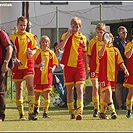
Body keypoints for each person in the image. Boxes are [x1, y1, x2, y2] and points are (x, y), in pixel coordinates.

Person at [58, 17, 88, 120]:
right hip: (68, 67)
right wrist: (68, 36)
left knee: (79, 89)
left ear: (80, 27)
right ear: (71, 26)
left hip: (79, 67)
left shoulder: (83, 38)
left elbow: (84, 54)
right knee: (69, 91)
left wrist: (86, 68)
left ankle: (80, 111)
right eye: (73, 26)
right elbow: (60, 47)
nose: (75, 29)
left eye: (77, 27)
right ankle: (71, 111)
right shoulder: (65, 35)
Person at [10, 16, 38, 120]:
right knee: (19, 88)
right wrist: (15, 59)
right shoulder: (12, 38)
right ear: (17, 25)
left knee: (30, 87)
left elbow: (35, 49)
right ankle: (21, 114)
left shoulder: (30, 36)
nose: (22, 27)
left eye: (24, 25)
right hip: (17, 66)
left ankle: (31, 113)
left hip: (28, 65)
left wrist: (32, 52)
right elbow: (9, 51)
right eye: (21, 25)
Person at [98, 32, 129, 119]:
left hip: (112, 75)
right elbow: (100, 55)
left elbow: (120, 62)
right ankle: (113, 111)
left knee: (106, 95)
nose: (107, 39)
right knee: (108, 93)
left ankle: (102, 112)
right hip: (104, 75)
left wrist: (125, 69)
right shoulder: (102, 48)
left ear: (112, 39)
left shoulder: (115, 50)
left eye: (109, 38)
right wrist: (104, 43)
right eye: (105, 38)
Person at [33, 35, 58, 118]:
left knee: (47, 94)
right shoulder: (37, 52)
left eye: (46, 42)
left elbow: (55, 63)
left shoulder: (51, 53)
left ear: (49, 43)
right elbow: (32, 63)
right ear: (40, 43)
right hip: (38, 77)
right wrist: (37, 66)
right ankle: (36, 109)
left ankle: (45, 112)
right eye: (43, 42)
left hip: (48, 77)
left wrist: (53, 68)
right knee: (37, 94)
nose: (45, 43)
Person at [87, 22, 106, 117]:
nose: (99, 34)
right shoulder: (92, 42)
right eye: (98, 32)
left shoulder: (107, 42)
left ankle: (102, 107)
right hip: (94, 68)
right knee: (95, 87)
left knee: (103, 89)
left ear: (104, 32)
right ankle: (95, 108)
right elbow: (89, 56)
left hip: (103, 69)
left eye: (101, 32)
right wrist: (88, 67)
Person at [113, 26, 129, 110]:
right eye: (123, 32)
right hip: (119, 67)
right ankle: (120, 105)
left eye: (126, 32)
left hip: (128, 66)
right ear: (119, 33)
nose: (125, 34)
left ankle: (128, 103)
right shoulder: (116, 42)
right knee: (119, 85)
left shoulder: (128, 42)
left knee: (128, 85)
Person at [0, 30, 13, 121]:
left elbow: (10, 48)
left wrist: (5, 63)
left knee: (0, 91)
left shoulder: (1, 33)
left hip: (1, 66)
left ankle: (1, 115)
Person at [123, 28, 133, 118]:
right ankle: (129, 110)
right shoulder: (129, 44)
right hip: (131, 70)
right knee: (131, 91)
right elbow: (128, 56)